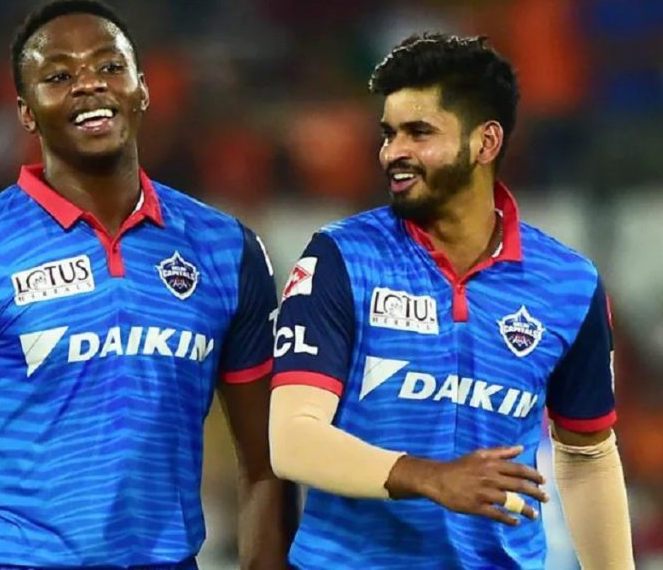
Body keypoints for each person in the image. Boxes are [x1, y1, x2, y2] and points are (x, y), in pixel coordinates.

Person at [0, 0, 288, 569]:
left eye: (110, 66)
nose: (90, 84)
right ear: (26, 111)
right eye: (59, 76)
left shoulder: (225, 250)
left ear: (142, 88)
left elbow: (269, 465)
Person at [268, 33, 634, 569]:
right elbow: (292, 441)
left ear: (486, 143)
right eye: (388, 134)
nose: (394, 153)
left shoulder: (568, 284)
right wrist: (431, 477)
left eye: (419, 133)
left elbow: (588, 455)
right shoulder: (341, 258)